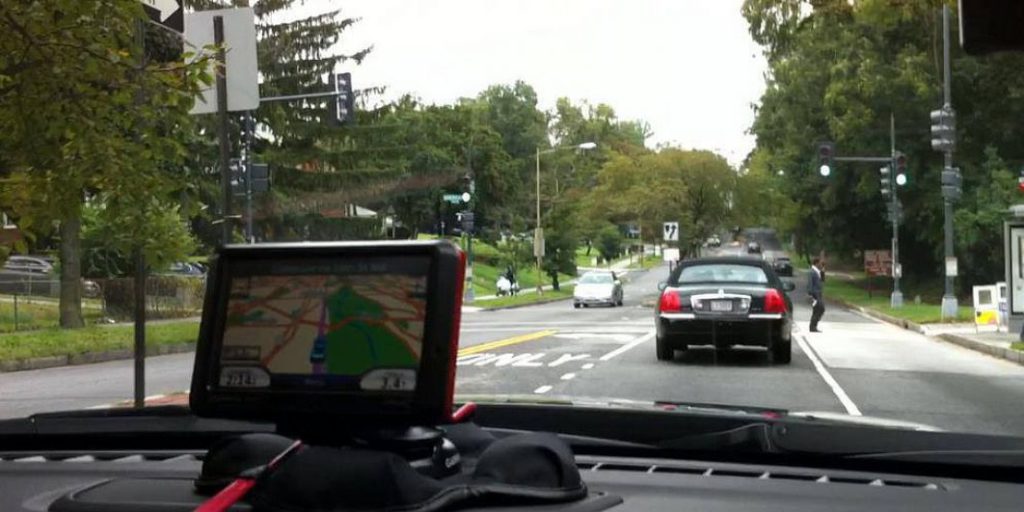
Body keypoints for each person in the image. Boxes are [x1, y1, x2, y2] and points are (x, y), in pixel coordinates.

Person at [808, 257, 826, 333]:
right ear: (816, 263)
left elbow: (822, 281)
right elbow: (810, 283)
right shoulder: (812, 271)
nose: (821, 265)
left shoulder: (817, 271)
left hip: (819, 293)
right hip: (815, 294)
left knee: (819, 309)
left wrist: (823, 272)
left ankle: (813, 326)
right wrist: (810, 294)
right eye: (820, 263)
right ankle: (812, 326)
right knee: (819, 309)